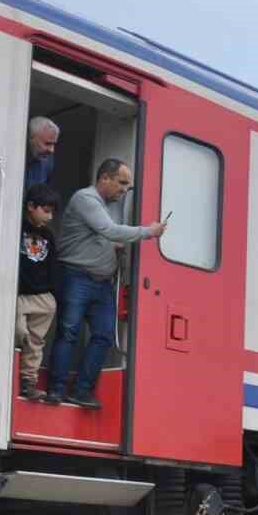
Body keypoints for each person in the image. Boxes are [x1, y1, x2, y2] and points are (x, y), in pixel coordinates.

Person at [44, 159, 167, 408]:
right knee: (69, 333)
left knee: (103, 336)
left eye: (127, 186)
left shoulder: (107, 204)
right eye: (121, 183)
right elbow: (109, 230)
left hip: (101, 283)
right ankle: (55, 390)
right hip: (76, 276)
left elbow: (101, 235)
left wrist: (113, 246)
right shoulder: (85, 199)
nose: (124, 190)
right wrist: (148, 232)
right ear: (104, 179)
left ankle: (81, 391)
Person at [15, 184, 61, 400]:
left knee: (36, 342)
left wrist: (52, 293)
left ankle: (28, 382)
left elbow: (52, 266)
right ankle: (10, 374)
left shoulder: (48, 237)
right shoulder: (16, 228)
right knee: (19, 332)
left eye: (52, 212)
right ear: (31, 206)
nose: (50, 217)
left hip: (42, 297)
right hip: (19, 294)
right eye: (46, 210)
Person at [25, 117, 59, 188]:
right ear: (31, 138)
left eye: (53, 144)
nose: (52, 150)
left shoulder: (48, 160)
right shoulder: (14, 155)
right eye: (47, 143)